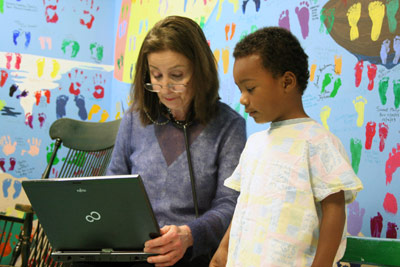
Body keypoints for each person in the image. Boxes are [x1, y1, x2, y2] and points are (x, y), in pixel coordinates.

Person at [210, 27, 363, 267]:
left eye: (250, 88)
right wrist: (224, 249)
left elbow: (334, 211)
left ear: (287, 82)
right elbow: (244, 206)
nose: (242, 98)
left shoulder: (317, 142)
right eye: (240, 90)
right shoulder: (254, 145)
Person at [107, 16, 246, 267]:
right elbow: (112, 186)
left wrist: (190, 234)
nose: (165, 87)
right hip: (133, 252)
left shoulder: (229, 126)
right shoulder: (134, 120)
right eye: (156, 75)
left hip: (191, 254)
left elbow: (230, 204)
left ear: (200, 72)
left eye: (177, 75)